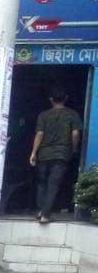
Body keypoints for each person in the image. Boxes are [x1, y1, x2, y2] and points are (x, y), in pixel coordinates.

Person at [30, 90, 82, 223]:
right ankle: (45, 215)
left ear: (51, 99)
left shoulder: (43, 115)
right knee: (53, 184)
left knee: (42, 183)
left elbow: (39, 134)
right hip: (61, 154)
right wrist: (74, 149)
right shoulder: (72, 114)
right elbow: (75, 134)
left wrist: (33, 152)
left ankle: (41, 210)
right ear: (66, 98)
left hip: (43, 154)